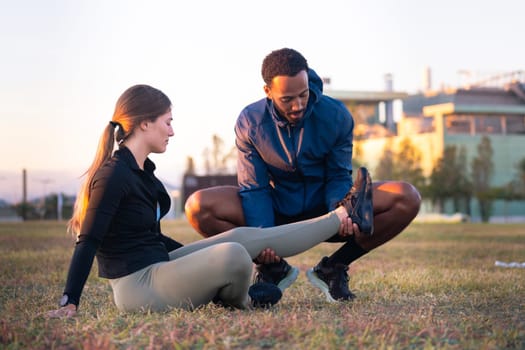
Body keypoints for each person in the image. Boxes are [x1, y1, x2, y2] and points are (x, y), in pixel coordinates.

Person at [46, 84, 373, 318]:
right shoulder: (113, 175)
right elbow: (87, 241)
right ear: (145, 123)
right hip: (138, 287)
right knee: (232, 253)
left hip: (159, 265)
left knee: (240, 238)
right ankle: (242, 300)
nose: (171, 131)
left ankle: (345, 213)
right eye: (167, 121)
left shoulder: (142, 172)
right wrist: (68, 302)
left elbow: (150, 238)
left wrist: (200, 253)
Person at [184, 48, 421, 302]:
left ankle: (334, 268)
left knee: (406, 197)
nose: (298, 105)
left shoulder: (336, 115)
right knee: (198, 206)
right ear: (268, 92)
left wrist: (340, 213)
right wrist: (262, 237)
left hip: (327, 208)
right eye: (287, 99)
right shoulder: (250, 122)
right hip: (278, 210)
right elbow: (254, 187)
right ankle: (273, 268)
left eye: (303, 95)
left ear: (308, 82)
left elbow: (338, 175)